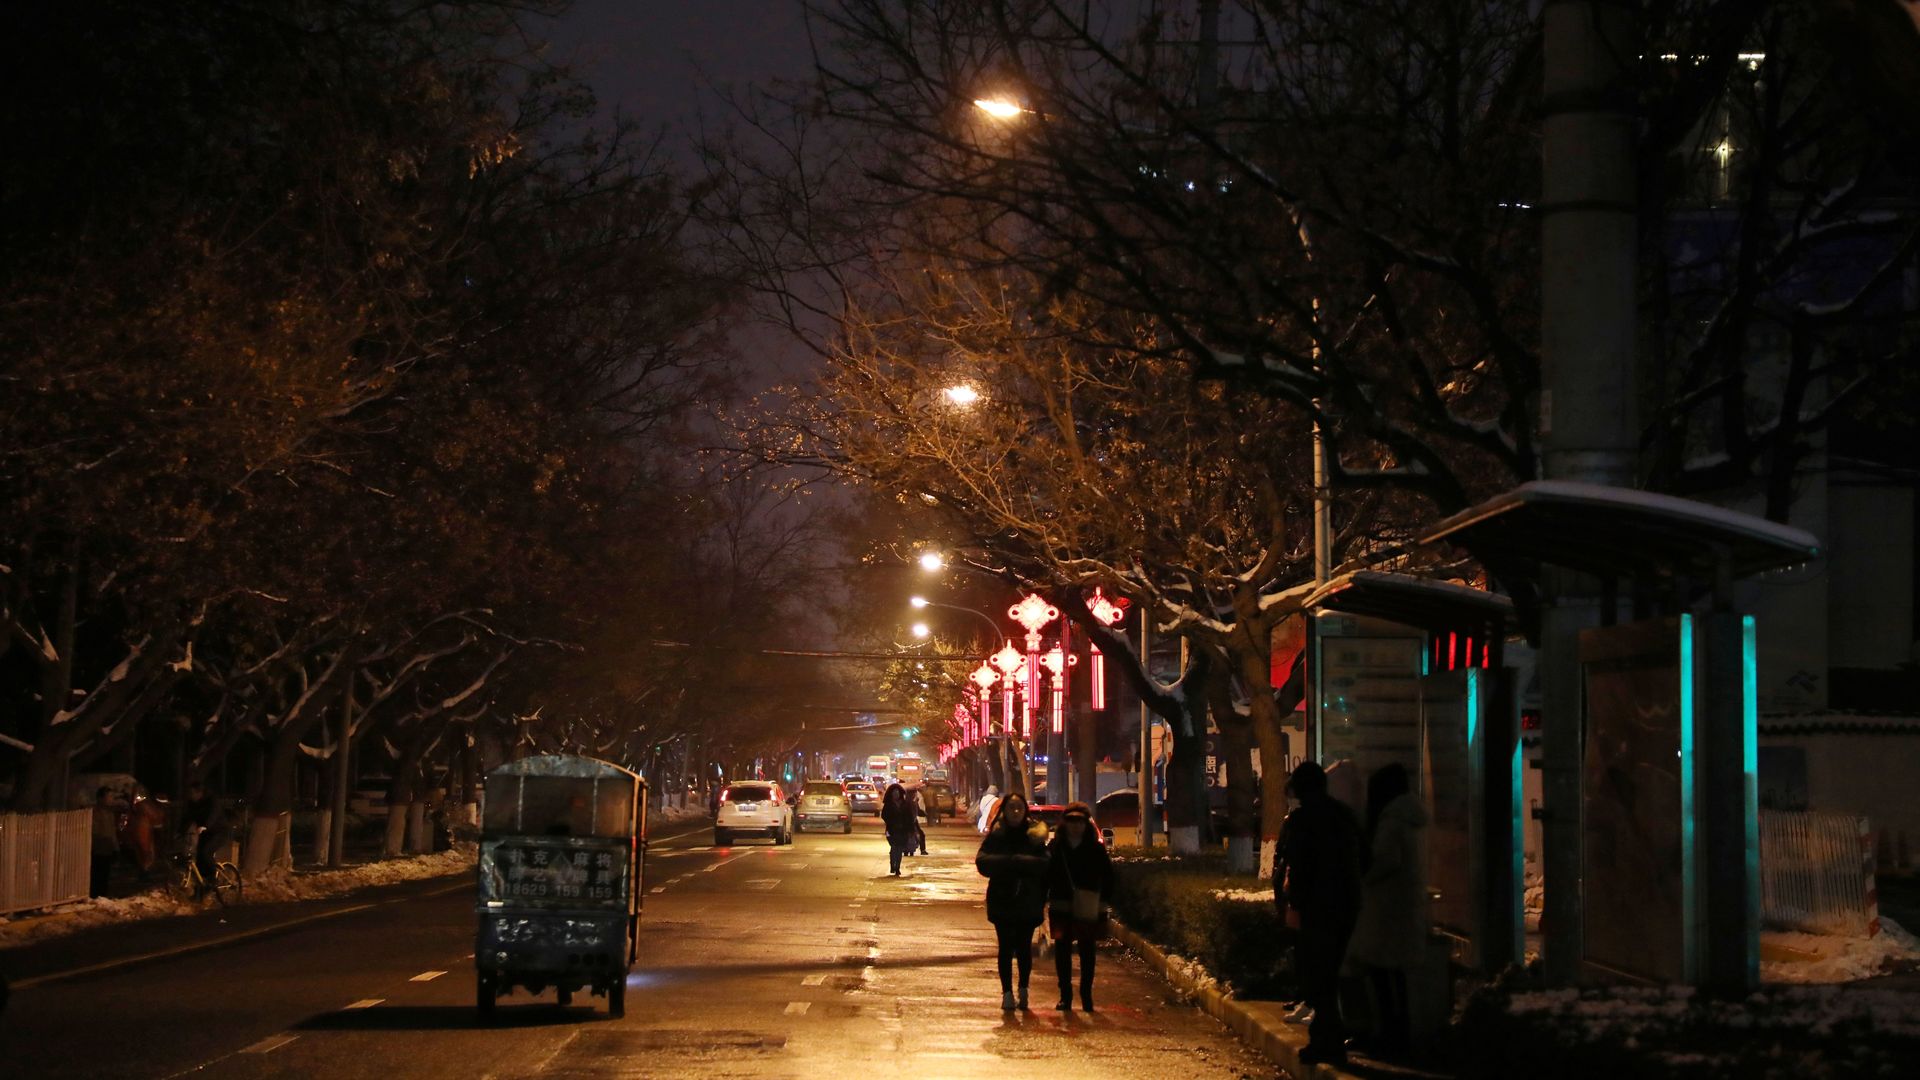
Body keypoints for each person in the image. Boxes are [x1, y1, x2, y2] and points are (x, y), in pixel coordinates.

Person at [1274, 761, 1364, 1067]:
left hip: (1316, 907)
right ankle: (1329, 1040)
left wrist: (1293, 902)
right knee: (1330, 973)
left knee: (1318, 976)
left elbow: (1298, 865)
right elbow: (1365, 856)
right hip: (1345, 905)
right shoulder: (1343, 815)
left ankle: (1326, 1043)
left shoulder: (1303, 820)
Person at [1346, 763, 1429, 1058]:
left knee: (1383, 975)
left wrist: (1362, 877)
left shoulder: (1392, 821)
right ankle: (1398, 1034)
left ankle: (1390, 1037)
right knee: (1395, 977)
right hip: (1402, 908)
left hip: (1387, 910)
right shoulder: (1413, 819)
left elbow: (1385, 862)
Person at [975, 793, 1049, 1011]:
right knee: (1005, 947)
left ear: (1025, 810)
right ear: (1004, 810)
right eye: (1011, 808)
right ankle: (1006, 992)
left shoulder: (1035, 835)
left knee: (1024, 947)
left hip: (1028, 900)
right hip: (1002, 899)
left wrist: (1024, 863)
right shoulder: (997, 835)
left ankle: (1023, 989)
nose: (1015, 812)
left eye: (1019, 807)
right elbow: (982, 861)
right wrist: (1009, 862)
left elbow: (1045, 863)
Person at [1044, 801, 1113, 1011]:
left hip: (1088, 905)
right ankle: (1065, 995)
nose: (1076, 825)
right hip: (1061, 904)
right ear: (1065, 823)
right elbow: (1045, 874)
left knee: (1087, 951)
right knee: (1062, 950)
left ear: (1086, 824)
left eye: (1080, 821)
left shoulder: (1095, 848)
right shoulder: (1055, 847)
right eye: (1071, 821)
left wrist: (1104, 901)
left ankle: (1086, 995)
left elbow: (1108, 876)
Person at [181, 782, 232, 900]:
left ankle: (213, 878)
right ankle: (199, 893)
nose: (191, 796)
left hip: (219, 831)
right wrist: (179, 832)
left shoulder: (212, 800)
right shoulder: (193, 803)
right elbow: (187, 817)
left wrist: (205, 825)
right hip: (205, 832)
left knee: (206, 852)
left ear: (200, 793)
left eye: (193, 793)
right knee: (198, 862)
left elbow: (213, 814)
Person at [90, 786, 122, 897]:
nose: (112, 800)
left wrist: (116, 848)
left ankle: (102, 896)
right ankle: (94, 895)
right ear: (100, 798)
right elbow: (94, 831)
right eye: (109, 797)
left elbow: (112, 832)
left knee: (104, 875)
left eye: (112, 797)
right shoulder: (94, 813)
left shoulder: (110, 813)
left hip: (107, 849)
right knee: (95, 875)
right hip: (97, 849)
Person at [880, 783, 917, 875]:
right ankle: (893, 865)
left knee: (899, 849)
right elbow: (884, 815)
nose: (896, 794)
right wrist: (891, 822)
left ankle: (897, 867)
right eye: (894, 792)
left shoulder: (905, 804)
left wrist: (911, 830)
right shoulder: (888, 805)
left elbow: (909, 817)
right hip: (892, 830)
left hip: (903, 830)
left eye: (897, 792)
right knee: (894, 847)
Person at [907, 787, 929, 854]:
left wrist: (924, 814)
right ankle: (922, 850)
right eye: (914, 793)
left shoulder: (914, 802)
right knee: (921, 834)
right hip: (908, 822)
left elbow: (918, 811)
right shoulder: (909, 802)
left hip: (913, 821)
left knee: (921, 834)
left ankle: (923, 850)